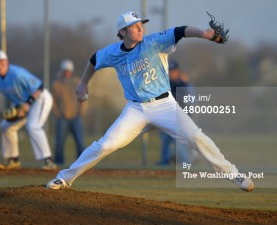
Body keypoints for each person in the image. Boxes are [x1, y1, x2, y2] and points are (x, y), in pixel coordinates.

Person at [47, 11, 254, 192]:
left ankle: (233, 174)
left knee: (196, 137)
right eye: (134, 26)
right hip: (136, 109)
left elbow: (180, 31)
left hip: (165, 106)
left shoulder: (153, 42)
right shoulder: (112, 53)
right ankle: (64, 178)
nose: (140, 29)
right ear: (123, 32)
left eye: (140, 25)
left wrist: (204, 34)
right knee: (105, 145)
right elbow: (93, 60)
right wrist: (83, 84)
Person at [0, 50, 57, 170]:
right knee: (6, 126)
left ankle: (48, 161)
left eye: (1, 62)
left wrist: (27, 106)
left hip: (40, 98)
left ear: (7, 62)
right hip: (21, 103)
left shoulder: (17, 73)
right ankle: (13, 160)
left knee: (33, 126)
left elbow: (39, 87)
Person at [158, 60, 198, 165]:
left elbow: (191, 102)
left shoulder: (184, 84)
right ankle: (165, 162)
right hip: (168, 117)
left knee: (181, 142)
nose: (172, 73)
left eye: (174, 71)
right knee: (166, 140)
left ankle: (186, 163)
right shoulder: (166, 84)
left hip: (181, 118)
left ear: (178, 71)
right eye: (170, 71)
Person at [52, 59, 87, 164]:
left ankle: (82, 163)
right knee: (59, 142)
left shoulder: (78, 82)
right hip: (62, 118)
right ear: (62, 71)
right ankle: (58, 162)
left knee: (80, 142)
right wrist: (57, 113)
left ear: (71, 71)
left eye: (68, 71)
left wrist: (82, 112)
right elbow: (52, 101)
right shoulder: (56, 84)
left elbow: (84, 98)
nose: (67, 73)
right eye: (65, 71)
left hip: (76, 117)